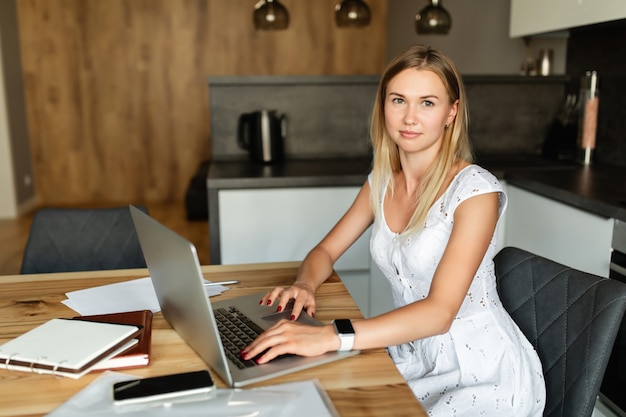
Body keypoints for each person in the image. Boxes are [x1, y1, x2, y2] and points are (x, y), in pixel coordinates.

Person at [241, 45, 546, 416]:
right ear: (383, 105)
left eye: (427, 103)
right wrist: (305, 285)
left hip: (479, 372)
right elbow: (323, 253)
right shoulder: (382, 182)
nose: (410, 118)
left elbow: (439, 313)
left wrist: (328, 335)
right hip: (411, 355)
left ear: (451, 112)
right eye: (398, 100)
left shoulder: (474, 191)